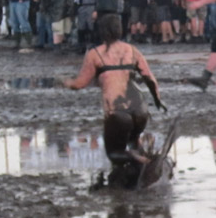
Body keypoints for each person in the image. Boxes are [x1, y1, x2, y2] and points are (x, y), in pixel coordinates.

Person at [64, 14, 164, 187]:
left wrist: (64, 82)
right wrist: (157, 101)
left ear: (101, 32)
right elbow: (150, 79)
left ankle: (140, 162)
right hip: (140, 110)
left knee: (114, 153)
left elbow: (80, 84)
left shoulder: (95, 54)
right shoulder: (132, 50)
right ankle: (135, 172)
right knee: (133, 140)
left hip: (117, 113)